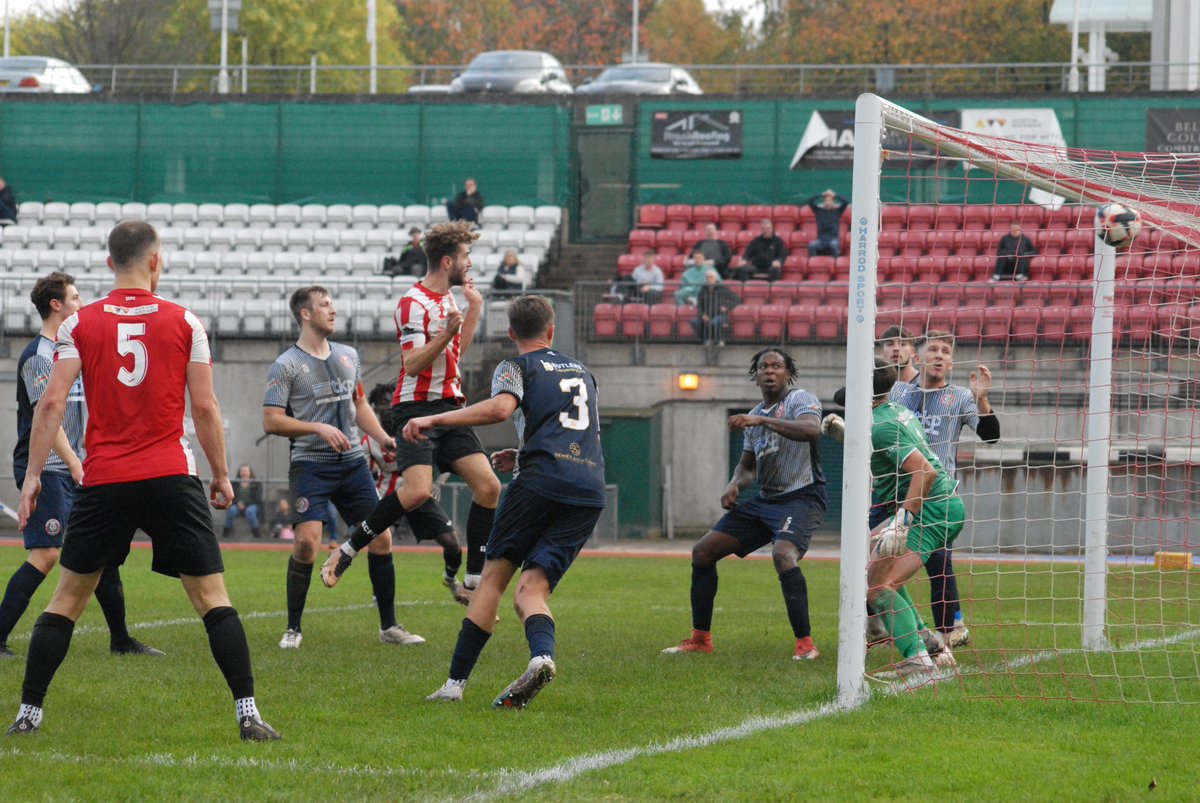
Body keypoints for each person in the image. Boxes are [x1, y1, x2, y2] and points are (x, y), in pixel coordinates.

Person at [8, 220, 278, 740]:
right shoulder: (185, 322)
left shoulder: (77, 325)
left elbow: (51, 404)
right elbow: (204, 405)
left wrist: (33, 477)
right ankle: (248, 714)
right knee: (212, 598)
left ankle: (28, 716)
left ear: (110, 264)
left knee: (67, 598)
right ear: (156, 261)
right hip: (170, 474)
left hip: (105, 478)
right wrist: (222, 475)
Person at [412, 295, 606, 708]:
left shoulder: (516, 366)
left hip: (539, 482)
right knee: (531, 591)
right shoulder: (584, 372)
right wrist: (522, 453)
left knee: (495, 579)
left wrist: (434, 418)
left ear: (511, 333)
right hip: (588, 487)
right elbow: (580, 432)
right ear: (551, 330)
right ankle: (541, 657)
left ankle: (454, 684)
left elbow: (501, 409)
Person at [320, 221, 501, 606]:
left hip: (450, 406)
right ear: (448, 261)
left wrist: (473, 312)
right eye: (466, 256)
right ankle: (348, 550)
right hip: (414, 408)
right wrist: (444, 335)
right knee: (417, 490)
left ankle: (471, 580)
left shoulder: (450, 301)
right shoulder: (412, 302)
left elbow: (453, 355)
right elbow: (414, 364)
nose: (470, 263)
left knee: (489, 487)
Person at [1, 271, 163, 661]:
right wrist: (76, 463)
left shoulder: (72, 351)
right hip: (50, 469)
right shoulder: (38, 356)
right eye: (75, 297)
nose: (81, 302)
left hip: (79, 466)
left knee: (103, 552)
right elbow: (47, 416)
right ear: (56, 305)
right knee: (46, 555)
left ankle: (121, 640)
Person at [262, 286, 424, 650]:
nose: (333, 310)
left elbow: (360, 404)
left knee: (382, 537)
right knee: (306, 544)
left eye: (332, 303)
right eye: (324, 305)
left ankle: (389, 627)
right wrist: (316, 427)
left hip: (352, 464)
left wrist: (382, 438)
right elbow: (271, 421)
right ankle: (293, 628)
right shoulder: (285, 364)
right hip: (310, 465)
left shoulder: (350, 355)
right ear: (305, 314)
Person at [663, 348, 826, 661]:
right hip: (766, 500)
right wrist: (734, 484)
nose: (769, 371)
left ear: (788, 373)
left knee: (783, 555)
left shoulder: (801, 399)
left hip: (802, 496)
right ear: (756, 376)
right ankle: (700, 639)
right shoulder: (755, 415)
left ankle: (806, 645)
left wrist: (761, 420)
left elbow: (811, 430)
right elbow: (748, 466)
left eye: (776, 365)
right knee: (702, 552)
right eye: (763, 366)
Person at [888, 330, 998, 647]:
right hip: (895, 494)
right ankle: (882, 626)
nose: (940, 355)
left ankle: (947, 635)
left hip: (936, 498)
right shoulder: (899, 393)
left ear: (951, 363)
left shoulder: (961, 397)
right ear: (918, 358)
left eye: (946, 351)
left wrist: (983, 398)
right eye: (933, 349)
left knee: (938, 566)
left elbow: (991, 436)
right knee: (875, 561)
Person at [866, 358, 965, 677]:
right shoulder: (898, 411)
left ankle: (917, 659)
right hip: (940, 504)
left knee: (880, 586)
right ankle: (928, 642)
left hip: (931, 509)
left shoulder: (881, 426)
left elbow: (925, 472)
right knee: (874, 570)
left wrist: (902, 522)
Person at [365, 381, 471, 606]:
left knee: (452, 544)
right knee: (381, 541)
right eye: (382, 403)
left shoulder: (416, 426)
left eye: (390, 402)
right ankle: (380, 593)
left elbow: (447, 458)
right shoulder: (370, 439)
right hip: (388, 496)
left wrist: (437, 483)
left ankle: (450, 579)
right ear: (374, 408)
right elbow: (363, 473)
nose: (387, 408)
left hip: (419, 494)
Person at [691, 270, 739, 346]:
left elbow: (736, 299)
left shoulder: (722, 288)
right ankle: (706, 339)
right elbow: (699, 305)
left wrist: (727, 307)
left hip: (720, 314)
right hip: (706, 315)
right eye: (707, 277)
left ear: (715, 278)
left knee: (715, 322)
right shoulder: (702, 290)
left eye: (711, 277)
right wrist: (702, 315)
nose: (709, 279)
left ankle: (718, 340)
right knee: (694, 322)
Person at [221, 464, 263, 539]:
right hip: (237, 505)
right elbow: (231, 497)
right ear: (240, 472)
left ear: (250, 472)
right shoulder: (235, 483)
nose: (244, 473)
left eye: (246, 471)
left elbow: (258, 499)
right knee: (232, 511)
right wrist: (237, 503)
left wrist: (246, 505)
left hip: (252, 505)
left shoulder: (256, 483)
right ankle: (225, 534)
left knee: (250, 512)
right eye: (242, 471)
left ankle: (257, 535)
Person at [806, 189, 848, 257]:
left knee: (834, 245)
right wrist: (821, 195)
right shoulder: (818, 211)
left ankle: (835, 264)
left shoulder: (837, 211)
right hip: (821, 239)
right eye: (826, 200)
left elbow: (846, 201)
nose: (828, 202)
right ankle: (814, 263)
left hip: (833, 239)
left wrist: (835, 195)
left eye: (830, 200)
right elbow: (809, 201)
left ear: (833, 202)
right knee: (812, 246)